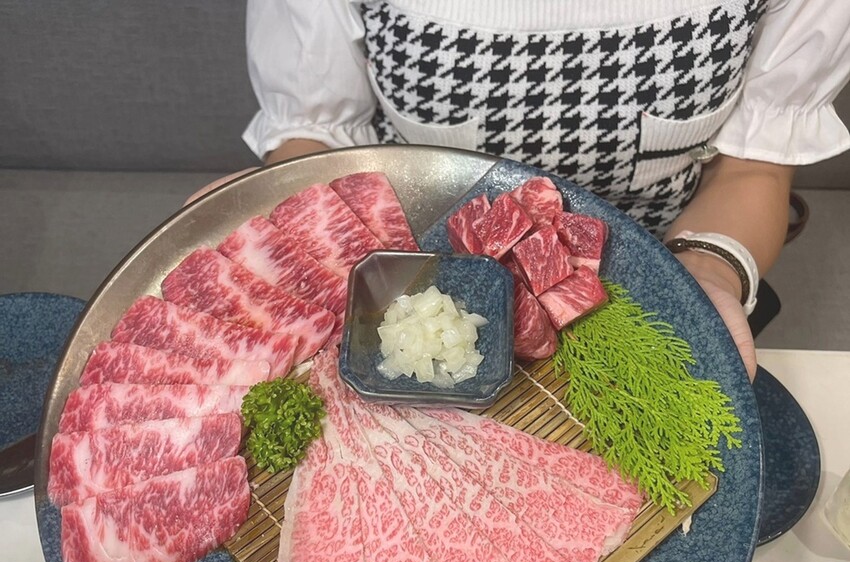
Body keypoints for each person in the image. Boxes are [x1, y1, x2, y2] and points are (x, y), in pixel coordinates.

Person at [193, 0, 850, 380]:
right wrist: (279, 227)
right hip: (416, 282)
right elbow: (315, 138)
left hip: (653, 274)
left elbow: (755, 169)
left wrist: (709, 270)